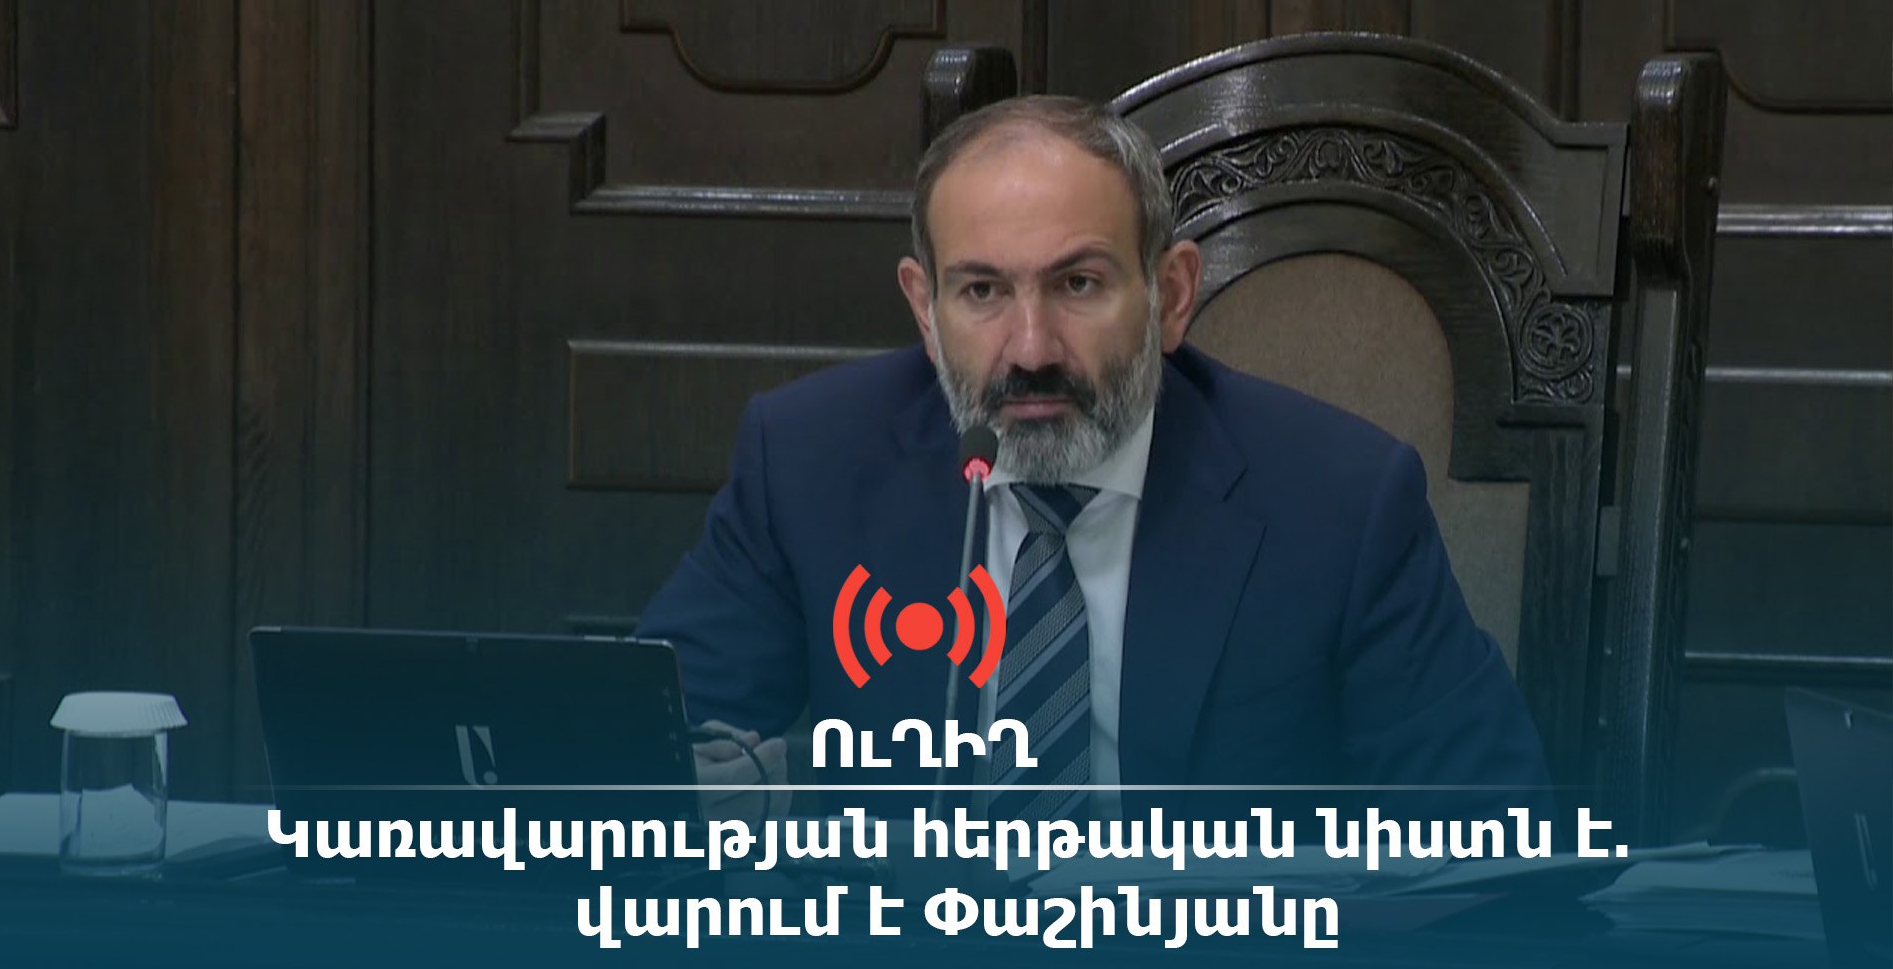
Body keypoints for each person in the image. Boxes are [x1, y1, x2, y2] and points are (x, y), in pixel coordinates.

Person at [637, 95, 1553, 825]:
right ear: (925, 309)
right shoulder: (810, 459)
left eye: (1078, 284)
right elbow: (632, 761)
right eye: (982, 291)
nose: (1031, 348)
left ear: (1171, 294)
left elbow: (1492, 830)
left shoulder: (1340, 501)